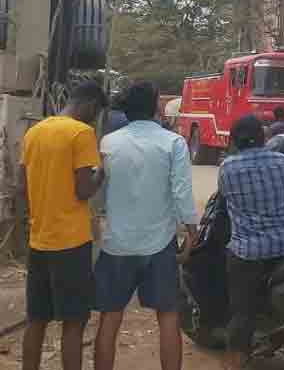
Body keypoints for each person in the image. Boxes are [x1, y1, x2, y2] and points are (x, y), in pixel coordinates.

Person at [93, 81, 198, 370]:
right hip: (159, 244)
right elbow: (181, 194)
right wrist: (191, 231)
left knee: (110, 316)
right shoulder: (173, 143)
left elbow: (97, 194)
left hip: (117, 244)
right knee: (168, 316)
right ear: (155, 107)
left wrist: (96, 229)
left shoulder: (108, 143)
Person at [19, 81, 108, 370]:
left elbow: (23, 187)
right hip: (70, 243)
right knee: (73, 322)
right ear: (91, 105)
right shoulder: (81, 133)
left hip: (39, 239)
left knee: (37, 319)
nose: (95, 119)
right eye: (96, 113)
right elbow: (83, 190)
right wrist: (101, 174)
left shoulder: (34, 132)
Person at [218, 114, 284, 370]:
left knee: (242, 311)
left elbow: (224, 201)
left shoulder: (228, 168)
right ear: (263, 136)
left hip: (249, 252)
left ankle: (237, 360)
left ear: (234, 141)